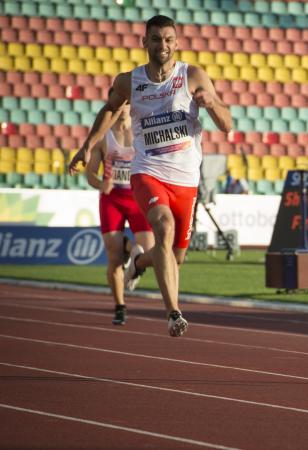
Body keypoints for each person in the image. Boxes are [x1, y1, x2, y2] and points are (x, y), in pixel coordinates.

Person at [68, 15, 233, 337]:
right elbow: (110, 110)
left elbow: (227, 124)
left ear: (177, 42)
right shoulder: (130, 81)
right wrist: (88, 146)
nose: (163, 45)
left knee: (175, 257)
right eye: (156, 39)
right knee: (163, 226)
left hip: (186, 180)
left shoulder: (193, 75)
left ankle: (139, 263)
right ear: (145, 42)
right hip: (148, 172)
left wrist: (211, 103)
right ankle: (174, 313)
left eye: (169, 39)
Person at [85, 90, 154, 325]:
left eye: (128, 103)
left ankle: (132, 253)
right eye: (120, 103)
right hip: (112, 199)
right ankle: (120, 305)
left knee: (149, 250)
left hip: (137, 197)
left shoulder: (142, 132)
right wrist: (100, 184)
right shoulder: (104, 136)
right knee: (114, 257)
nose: (124, 108)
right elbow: (89, 173)